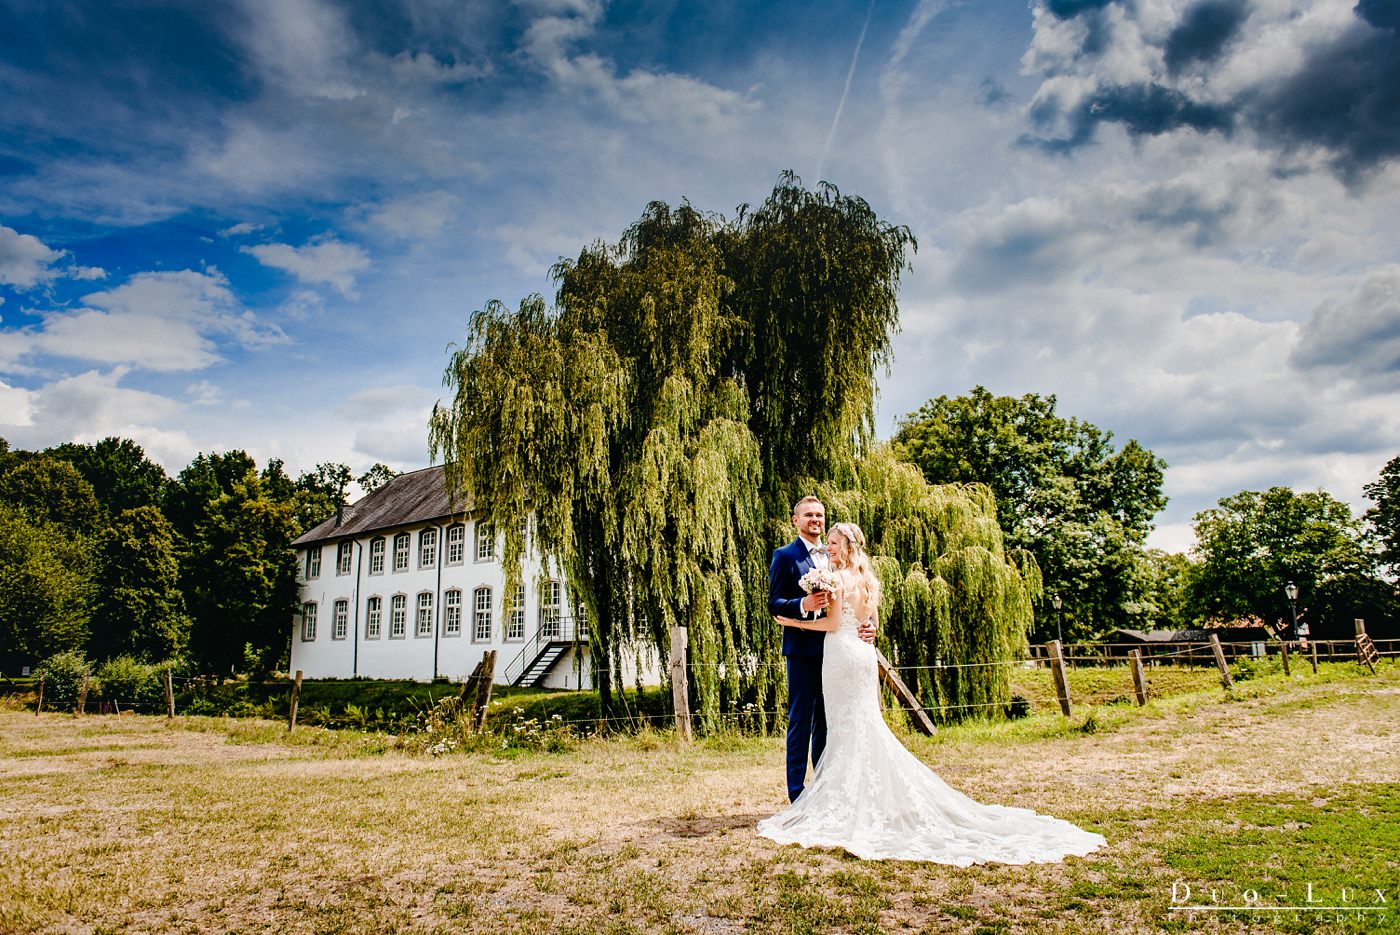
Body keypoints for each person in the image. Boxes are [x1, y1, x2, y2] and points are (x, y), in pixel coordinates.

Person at [758, 521, 1106, 865]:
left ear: (847, 547)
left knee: (845, 727)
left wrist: (795, 622)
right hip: (862, 657)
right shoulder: (867, 578)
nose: (830, 548)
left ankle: (846, 802)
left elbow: (832, 624)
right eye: (828, 543)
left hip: (841, 656)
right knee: (861, 726)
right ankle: (862, 798)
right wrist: (869, 628)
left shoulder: (841, 578)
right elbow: (873, 621)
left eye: (834, 543)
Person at [767, 496, 875, 802]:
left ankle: (826, 789)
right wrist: (802, 603)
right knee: (802, 721)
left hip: (838, 651)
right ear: (796, 520)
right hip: (803, 651)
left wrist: (869, 626)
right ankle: (798, 795)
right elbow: (774, 603)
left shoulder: (836, 556)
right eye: (809, 515)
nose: (816, 519)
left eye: (820, 515)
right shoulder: (785, 556)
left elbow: (858, 600)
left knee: (830, 722)